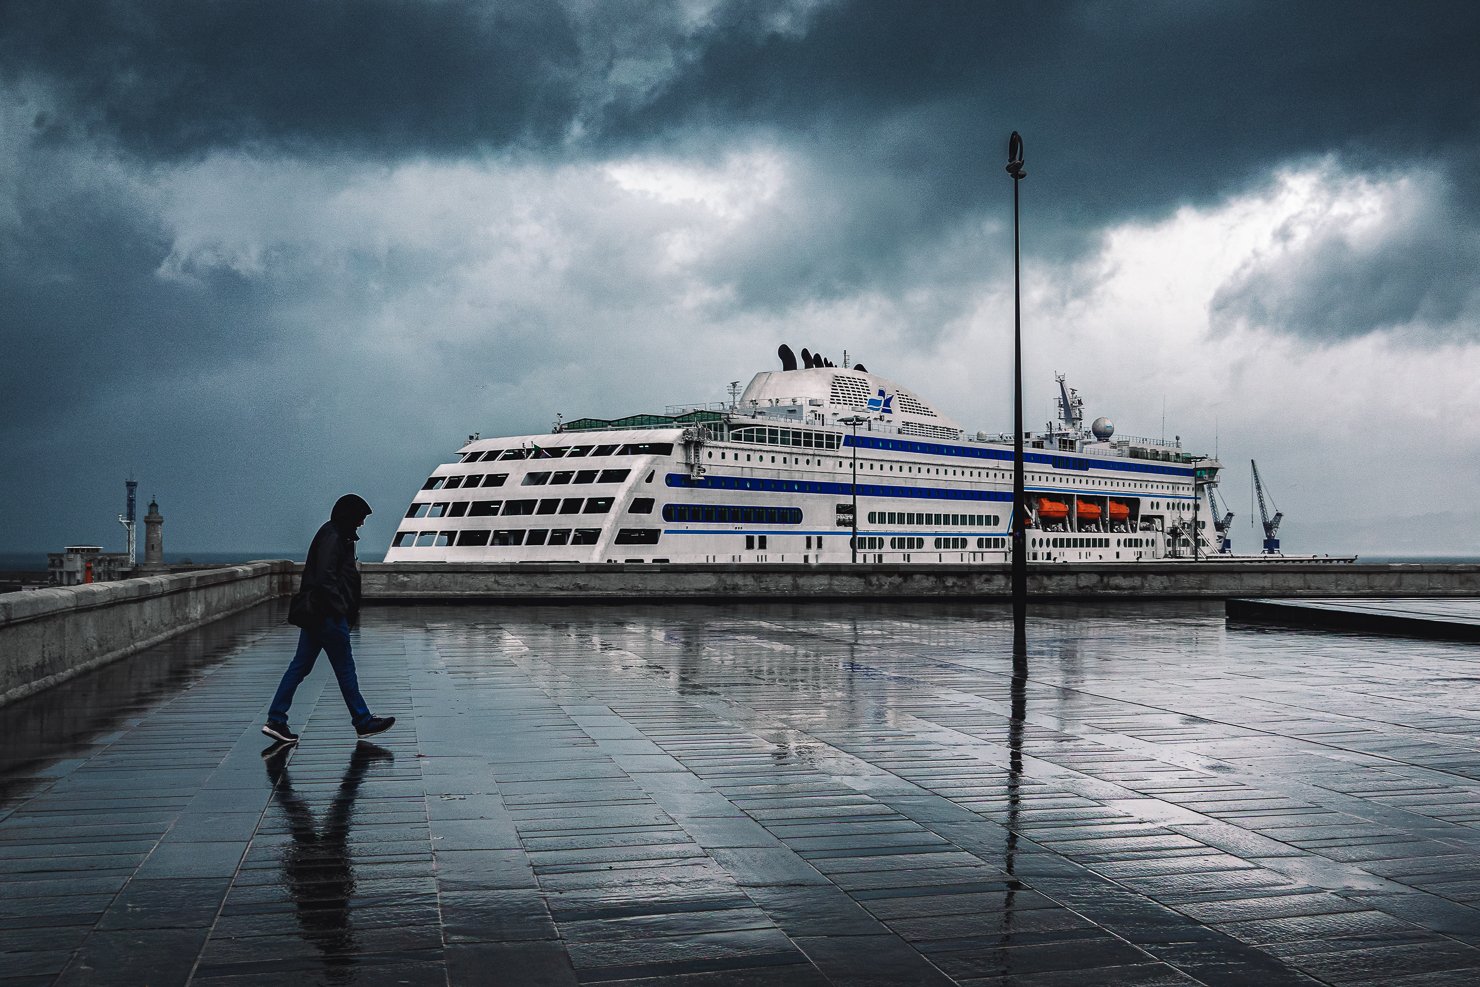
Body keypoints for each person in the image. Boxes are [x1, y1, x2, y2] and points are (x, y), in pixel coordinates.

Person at [263, 494, 394, 744]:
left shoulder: (335, 534)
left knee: (300, 666)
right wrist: (340, 608)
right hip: (327, 615)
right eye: (360, 518)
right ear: (349, 516)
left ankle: (276, 719)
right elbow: (326, 578)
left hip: (317, 613)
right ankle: (362, 721)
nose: (361, 523)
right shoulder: (334, 536)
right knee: (345, 669)